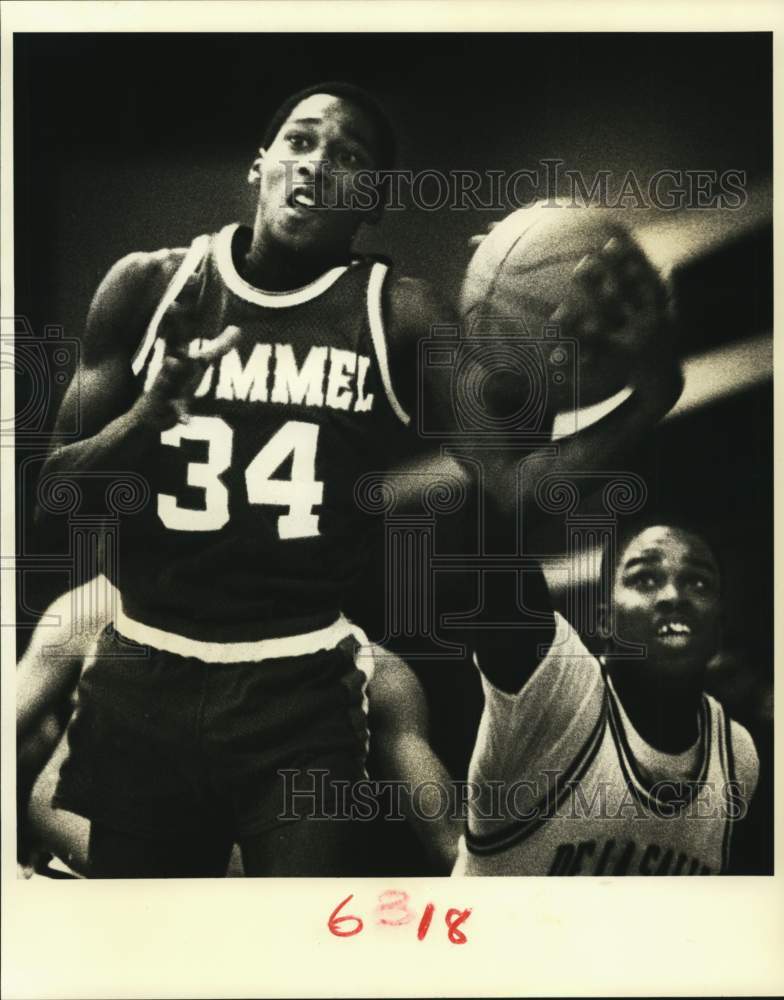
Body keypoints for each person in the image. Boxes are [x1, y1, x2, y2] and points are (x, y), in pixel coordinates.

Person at [33, 80, 677, 877]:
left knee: (301, 952)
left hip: (300, 685)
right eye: (300, 142)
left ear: (372, 198)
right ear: (259, 164)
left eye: (349, 158)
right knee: (152, 950)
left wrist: (649, 396)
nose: (316, 165)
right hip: (146, 669)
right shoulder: (147, 288)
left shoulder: (401, 313)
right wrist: (143, 421)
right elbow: (51, 498)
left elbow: (510, 487)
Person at [447, 520, 759, 875]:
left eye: (698, 582)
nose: (674, 595)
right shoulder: (561, 689)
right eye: (645, 579)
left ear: (719, 629)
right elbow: (503, 588)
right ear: (605, 620)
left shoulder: (739, 758)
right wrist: (495, 505)